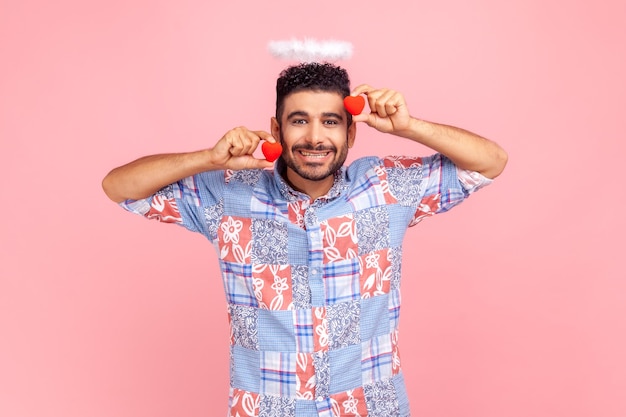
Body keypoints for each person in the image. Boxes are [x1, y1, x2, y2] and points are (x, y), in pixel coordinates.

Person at [102, 62, 507, 417]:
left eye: (330, 121)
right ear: (277, 128)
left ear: (351, 130)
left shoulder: (386, 186)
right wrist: (208, 158)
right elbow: (120, 187)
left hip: (371, 406)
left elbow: (490, 162)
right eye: (299, 120)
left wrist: (408, 125)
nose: (315, 137)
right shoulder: (226, 195)